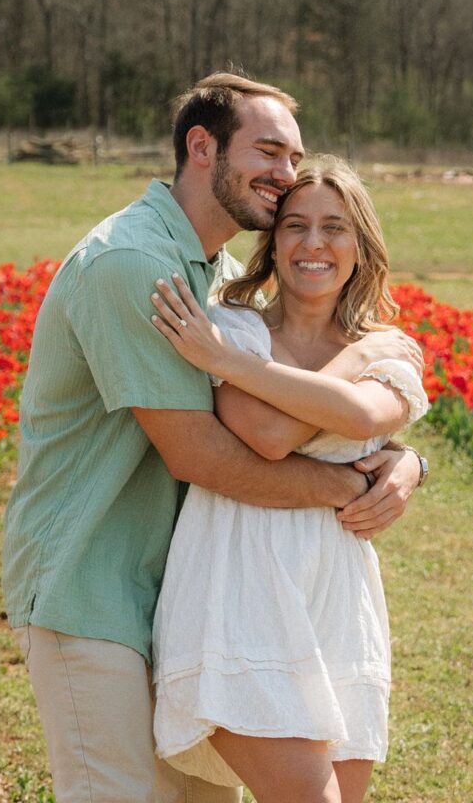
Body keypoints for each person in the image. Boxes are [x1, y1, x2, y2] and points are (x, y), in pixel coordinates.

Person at [2, 73, 425, 803]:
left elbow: (317, 399)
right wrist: (352, 484)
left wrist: (406, 459)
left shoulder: (219, 278)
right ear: (202, 147)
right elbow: (205, 453)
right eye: (267, 151)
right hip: (91, 582)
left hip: (183, 584)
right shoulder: (133, 264)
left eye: (293, 157)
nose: (285, 176)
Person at [150, 156, 429, 803]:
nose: (313, 244)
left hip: (335, 589)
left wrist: (358, 364)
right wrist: (235, 358)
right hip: (239, 579)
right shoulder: (232, 327)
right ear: (271, 243)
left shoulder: (387, 350)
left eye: (334, 227)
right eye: (295, 225)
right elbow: (268, 436)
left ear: (360, 246)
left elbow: (366, 414)